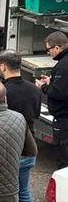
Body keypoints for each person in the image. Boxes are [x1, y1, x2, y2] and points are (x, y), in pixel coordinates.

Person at [0, 50, 42, 202]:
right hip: (28, 147)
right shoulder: (34, 89)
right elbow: (36, 114)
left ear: (3, 66)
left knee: (4, 197)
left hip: (8, 149)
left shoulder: (1, 91)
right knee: (24, 191)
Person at [36, 31, 68, 168]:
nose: (48, 52)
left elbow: (59, 93)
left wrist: (43, 87)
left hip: (63, 119)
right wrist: (53, 81)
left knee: (64, 158)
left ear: (57, 47)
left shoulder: (63, 66)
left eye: (49, 49)